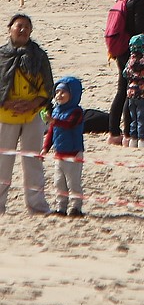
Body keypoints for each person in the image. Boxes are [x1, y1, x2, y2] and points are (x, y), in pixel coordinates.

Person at [0, 13, 52, 215]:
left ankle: (37, 205)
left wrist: (33, 103)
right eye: (18, 26)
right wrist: (9, 103)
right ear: (10, 28)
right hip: (5, 115)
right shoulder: (2, 55)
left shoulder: (39, 56)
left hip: (33, 116)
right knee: (3, 164)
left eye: (26, 27)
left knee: (33, 163)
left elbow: (47, 87)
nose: (22, 30)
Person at [107, 0, 144, 144]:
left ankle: (113, 133)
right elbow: (139, 26)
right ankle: (127, 134)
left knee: (121, 89)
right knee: (130, 91)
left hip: (118, 46)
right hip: (132, 48)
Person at [43, 74, 85, 217]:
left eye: (63, 92)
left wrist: (54, 121)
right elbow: (51, 132)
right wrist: (45, 148)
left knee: (73, 183)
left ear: (72, 95)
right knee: (59, 182)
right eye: (57, 92)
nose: (59, 95)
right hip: (59, 154)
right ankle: (61, 207)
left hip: (73, 154)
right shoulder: (56, 111)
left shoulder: (77, 112)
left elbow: (70, 124)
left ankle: (76, 207)